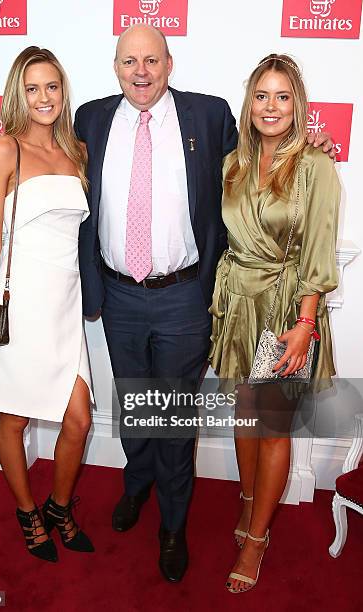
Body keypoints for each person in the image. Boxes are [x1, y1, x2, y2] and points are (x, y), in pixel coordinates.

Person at [75, 25, 334, 582]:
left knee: (175, 420)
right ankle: (136, 483)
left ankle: (172, 524)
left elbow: (272, 159)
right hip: (119, 294)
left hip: (185, 298)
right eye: (129, 62)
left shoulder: (208, 115)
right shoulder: (90, 120)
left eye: (151, 60)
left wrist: (313, 149)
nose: (140, 72)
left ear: (170, 62)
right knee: (136, 405)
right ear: (115, 67)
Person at [209, 54, 340, 593]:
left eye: (282, 96)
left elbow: (317, 249)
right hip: (238, 301)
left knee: (273, 426)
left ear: (298, 104)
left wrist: (305, 324)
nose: (271, 106)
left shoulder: (316, 166)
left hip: (287, 308)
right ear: (249, 103)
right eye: (261, 95)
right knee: (245, 416)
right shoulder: (233, 163)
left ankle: (258, 539)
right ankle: (247, 502)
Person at [0, 46, 94, 563]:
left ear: (63, 92)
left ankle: (59, 507)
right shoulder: (4, 151)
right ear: (19, 93)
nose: (44, 97)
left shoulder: (77, 151)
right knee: (14, 421)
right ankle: (27, 513)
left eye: (52, 86)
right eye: (32, 88)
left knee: (79, 419)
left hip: (64, 306)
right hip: (20, 308)